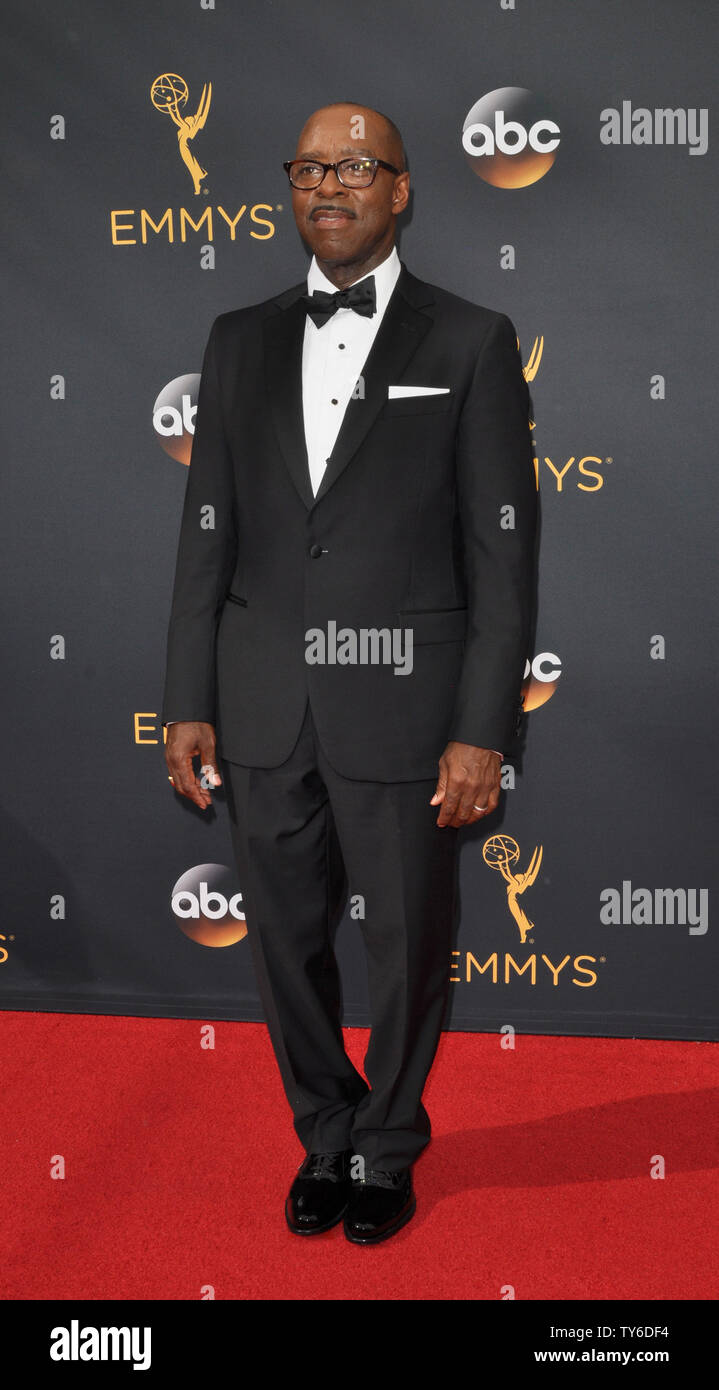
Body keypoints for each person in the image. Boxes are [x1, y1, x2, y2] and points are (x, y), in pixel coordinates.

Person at [162, 102, 537, 1245]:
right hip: (266, 699)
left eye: (355, 167)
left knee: (409, 941)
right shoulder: (237, 337)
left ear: (401, 189)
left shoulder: (469, 340)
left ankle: (387, 1146)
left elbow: (504, 555)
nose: (328, 185)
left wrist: (482, 727)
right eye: (309, 168)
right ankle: (323, 1134)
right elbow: (205, 534)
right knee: (284, 945)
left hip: (409, 710)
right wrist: (187, 697)